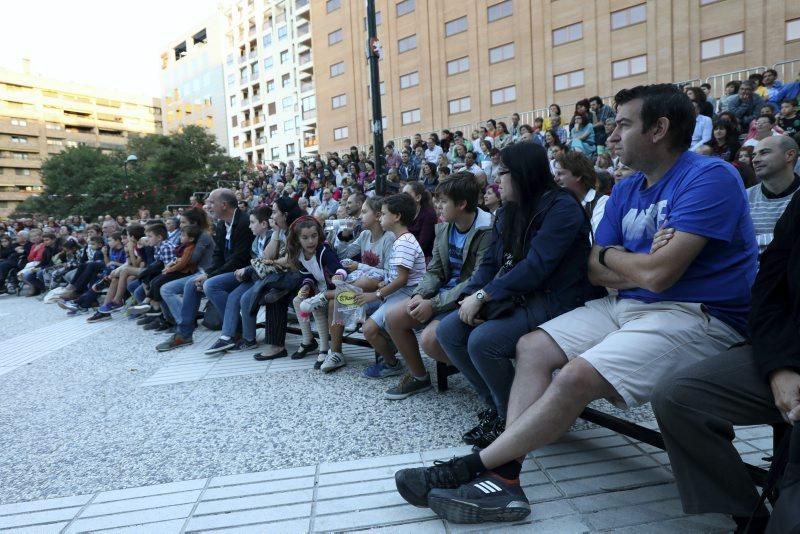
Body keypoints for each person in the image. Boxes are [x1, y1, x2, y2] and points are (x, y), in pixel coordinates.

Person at [393, 84, 759, 524]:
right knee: (532, 347)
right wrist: (641, 260)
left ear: (660, 129)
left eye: (623, 125)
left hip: (697, 312)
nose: (612, 137)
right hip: (626, 305)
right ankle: (507, 480)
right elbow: (595, 268)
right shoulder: (626, 190)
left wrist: (629, 261)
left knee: (574, 374)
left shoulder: (710, 177)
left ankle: (484, 468)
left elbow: (661, 276)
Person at [650, 190, 800, 534]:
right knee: (677, 395)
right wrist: (780, 366)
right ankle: (747, 515)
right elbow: (769, 289)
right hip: (788, 350)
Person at [435, 143, 591, 447]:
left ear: (522, 174)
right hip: (517, 294)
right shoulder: (507, 212)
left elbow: (537, 267)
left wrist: (483, 297)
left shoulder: (562, 207)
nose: (496, 180)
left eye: (502, 172)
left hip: (558, 297)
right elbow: (491, 264)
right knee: (449, 329)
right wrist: (469, 297)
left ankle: (512, 420)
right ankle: (497, 406)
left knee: (484, 342)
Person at [382, 172, 493, 398]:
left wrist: (433, 304)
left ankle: (492, 381)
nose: (437, 206)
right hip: (442, 296)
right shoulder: (444, 228)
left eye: (443, 201)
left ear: (462, 204)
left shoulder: (487, 230)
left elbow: (478, 279)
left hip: (470, 299)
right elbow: (435, 270)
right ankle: (419, 377)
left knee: (431, 340)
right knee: (392, 317)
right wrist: (420, 294)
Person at [156, 189, 254, 352]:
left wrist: (210, 276)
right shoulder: (223, 224)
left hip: (246, 272)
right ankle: (184, 334)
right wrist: (207, 274)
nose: (207, 207)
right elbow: (218, 255)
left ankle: (235, 331)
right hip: (232, 270)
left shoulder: (244, 222)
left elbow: (239, 259)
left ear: (224, 205)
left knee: (210, 285)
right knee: (191, 284)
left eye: (211, 202)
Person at [358, 193, 427, 388]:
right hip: (397, 293)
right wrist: (382, 285)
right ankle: (393, 358)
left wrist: (376, 294)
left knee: (369, 329)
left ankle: (392, 364)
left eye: (384, 214)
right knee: (368, 325)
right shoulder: (401, 240)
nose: (380, 217)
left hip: (406, 294)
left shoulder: (404, 242)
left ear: (396, 216)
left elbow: (403, 279)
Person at [202, 205, 274, 354]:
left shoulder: (272, 238)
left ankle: (249, 339)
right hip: (255, 277)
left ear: (264, 224)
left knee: (245, 298)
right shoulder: (256, 240)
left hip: (267, 279)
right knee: (233, 297)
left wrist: (246, 270)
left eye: (253, 222)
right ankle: (227, 336)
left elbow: (267, 263)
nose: (249, 225)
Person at [285, 216, 347, 369]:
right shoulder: (300, 254)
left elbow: (338, 267)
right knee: (297, 301)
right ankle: (308, 341)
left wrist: (339, 274)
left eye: (314, 236)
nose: (310, 241)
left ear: (319, 235)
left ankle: (324, 348)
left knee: (316, 305)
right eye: (305, 238)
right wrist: (306, 286)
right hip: (320, 289)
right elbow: (307, 275)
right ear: (298, 239)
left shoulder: (324, 251)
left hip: (334, 291)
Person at [747, 136, 800, 253]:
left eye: (764, 153)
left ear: (789, 155)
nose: (755, 160)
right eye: (753, 155)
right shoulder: (744, 197)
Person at [553, 151, 609, 237]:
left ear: (578, 175)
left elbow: (595, 240)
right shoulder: (559, 204)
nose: (555, 179)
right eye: (555, 174)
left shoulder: (602, 202)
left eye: (560, 174)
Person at [403, 181, 437, 260]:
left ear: (418, 198)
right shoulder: (405, 212)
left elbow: (422, 245)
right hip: (407, 254)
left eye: (406, 195)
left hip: (423, 258)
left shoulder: (429, 215)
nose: (403, 198)